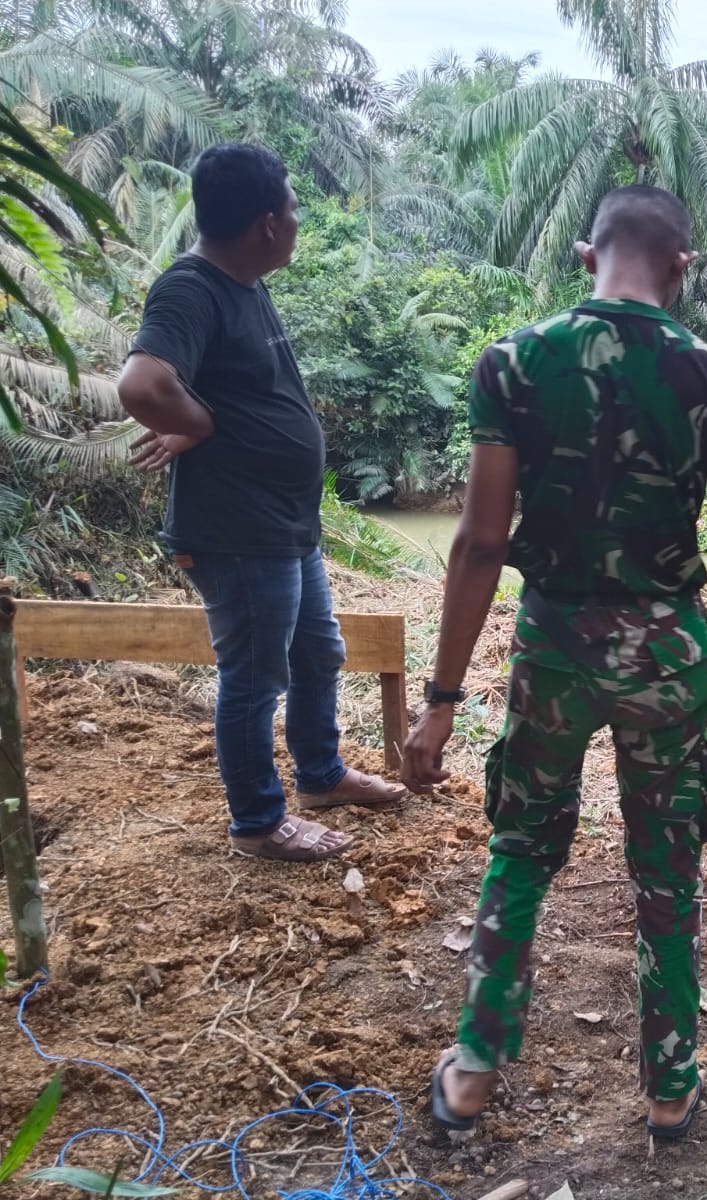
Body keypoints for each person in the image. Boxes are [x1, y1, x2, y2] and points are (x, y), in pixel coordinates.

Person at [399, 185, 707, 1142]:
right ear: (683, 266)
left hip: (552, 646)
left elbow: (479, 543)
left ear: (588, 256)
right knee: (667, 869)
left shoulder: (513, 363)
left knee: (521, 849)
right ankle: (670, 1087)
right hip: (667, 655)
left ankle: (474, 1069)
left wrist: (441, 699)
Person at [117, 142, 404, 864]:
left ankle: (321, 775)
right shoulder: (191, 288)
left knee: (318, 653)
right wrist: (199, 424)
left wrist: (206, 418)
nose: (298, 221)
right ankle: (257, 822)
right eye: (293, 208)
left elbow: (225, 388)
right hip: (237, 530)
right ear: (267, 224)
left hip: (282, 526)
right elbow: (143, 384)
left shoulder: (243, 282)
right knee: (254, 677)